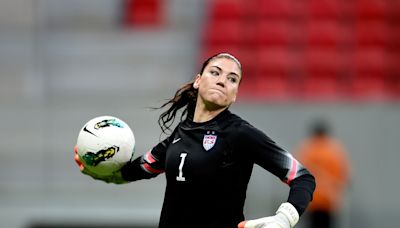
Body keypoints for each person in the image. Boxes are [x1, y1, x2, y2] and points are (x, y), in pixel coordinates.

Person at [74, 53, 316, 228]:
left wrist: (284, 219)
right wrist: (99, 172)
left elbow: (303, 177)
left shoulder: (240, 133)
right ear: (198, 81)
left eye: (233, 79)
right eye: (216, 72)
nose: (223, 80)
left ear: (235, 95)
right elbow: (138, 169)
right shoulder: (180, 134)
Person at [295, 119, 351, 228]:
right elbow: (345, 176)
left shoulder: (307, 150)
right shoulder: (335, 151)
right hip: (329, 201)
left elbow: (297, 172)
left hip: (311, 200)